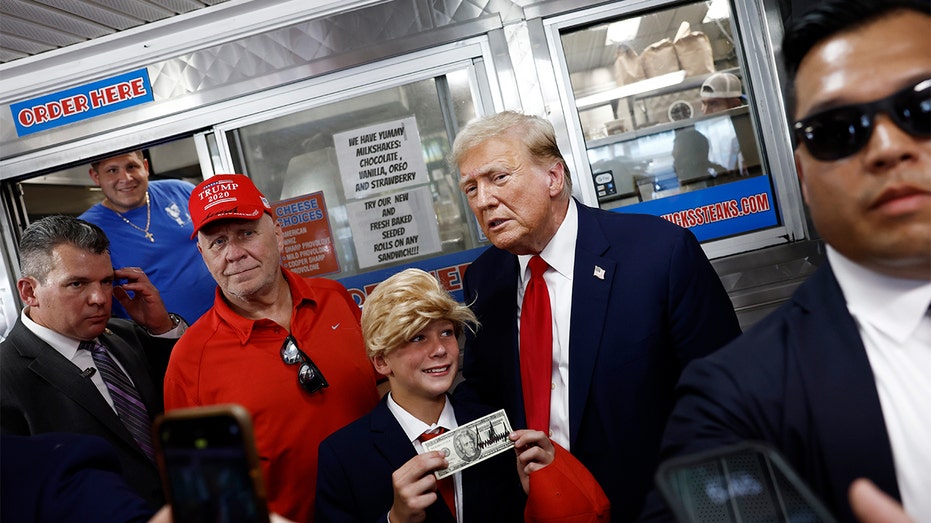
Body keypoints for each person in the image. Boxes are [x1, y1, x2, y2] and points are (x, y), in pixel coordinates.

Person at [639, 1, 930, 521]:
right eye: (839, 129)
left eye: (924, 107)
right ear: (802, 175)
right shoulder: (736, 404)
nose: (888, 147)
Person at [449, 111, 741, 522]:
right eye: (471, 188)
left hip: (654, 505)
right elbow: (483, 390)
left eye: (498, 178)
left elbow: (725, 396)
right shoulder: (485, 278)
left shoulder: (659, 254)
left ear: (554, 177)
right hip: (540, 507)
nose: (483, 200)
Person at [163, 174, 381, 522]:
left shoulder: (334, 299)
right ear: (203, 254)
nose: (234, 254)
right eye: (218, 242)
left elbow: (383, 386)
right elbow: (206, 493)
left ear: (278, 234)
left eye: (246, 234)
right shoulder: (190, 360)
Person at [315, 268, 610, 522]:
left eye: (446, 332)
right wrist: (396, 519)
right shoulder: (342, 457)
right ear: (381, 362)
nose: (440, 349)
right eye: (418, 338)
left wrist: (544, 490)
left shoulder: (499, 427)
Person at [0, 215, 185, 509]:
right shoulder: (6, 377)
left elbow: (181, 401)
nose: (99, 298)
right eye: (77, 284)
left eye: (107, 281)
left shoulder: (128, 335)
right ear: (29, 292)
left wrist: (162, 329)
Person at [80, 150, 216, 324]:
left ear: (145, 166)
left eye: (132, 166)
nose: (126, 178)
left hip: (233, 317)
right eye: (112, 171)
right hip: (163, 340)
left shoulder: (181, 192)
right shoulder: (86, 231)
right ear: (95, 176)